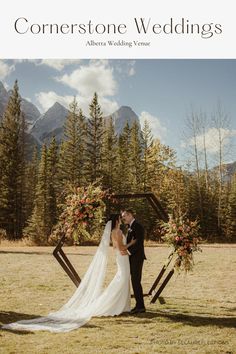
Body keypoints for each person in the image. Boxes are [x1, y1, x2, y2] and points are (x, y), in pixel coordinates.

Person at [2, 214, 136, 333]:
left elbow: (114, 247)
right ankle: (112, 304)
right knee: (122, 279)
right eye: (120, 218)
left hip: (121, 257)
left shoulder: (114, 231)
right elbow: (120, 247)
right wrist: (131, 243)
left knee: (122, 279)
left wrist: (122, 249)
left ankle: (121, 305)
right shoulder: (117, 232)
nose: (121, 219)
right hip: (123, 256)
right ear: (117, 220)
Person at [121, 209, 146, 314]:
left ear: (130, 215)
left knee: (136, 281)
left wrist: (129, 252)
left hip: (137, 257)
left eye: (124, 216)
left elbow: (139, 242)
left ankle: (140, 306)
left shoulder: (138, 226)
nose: (123, 219)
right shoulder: (130, 226)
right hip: (133, 257)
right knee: (134, 281)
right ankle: (139, 305)